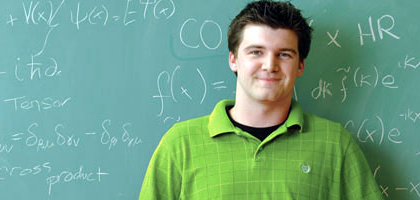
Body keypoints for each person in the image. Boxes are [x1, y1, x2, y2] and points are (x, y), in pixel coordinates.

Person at [139, 0, 384, 199]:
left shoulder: (336, 144)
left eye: (284, 54)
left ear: (300, 65)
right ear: (233, 59)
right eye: (256, 51)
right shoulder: (180, 144)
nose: (270, 65)